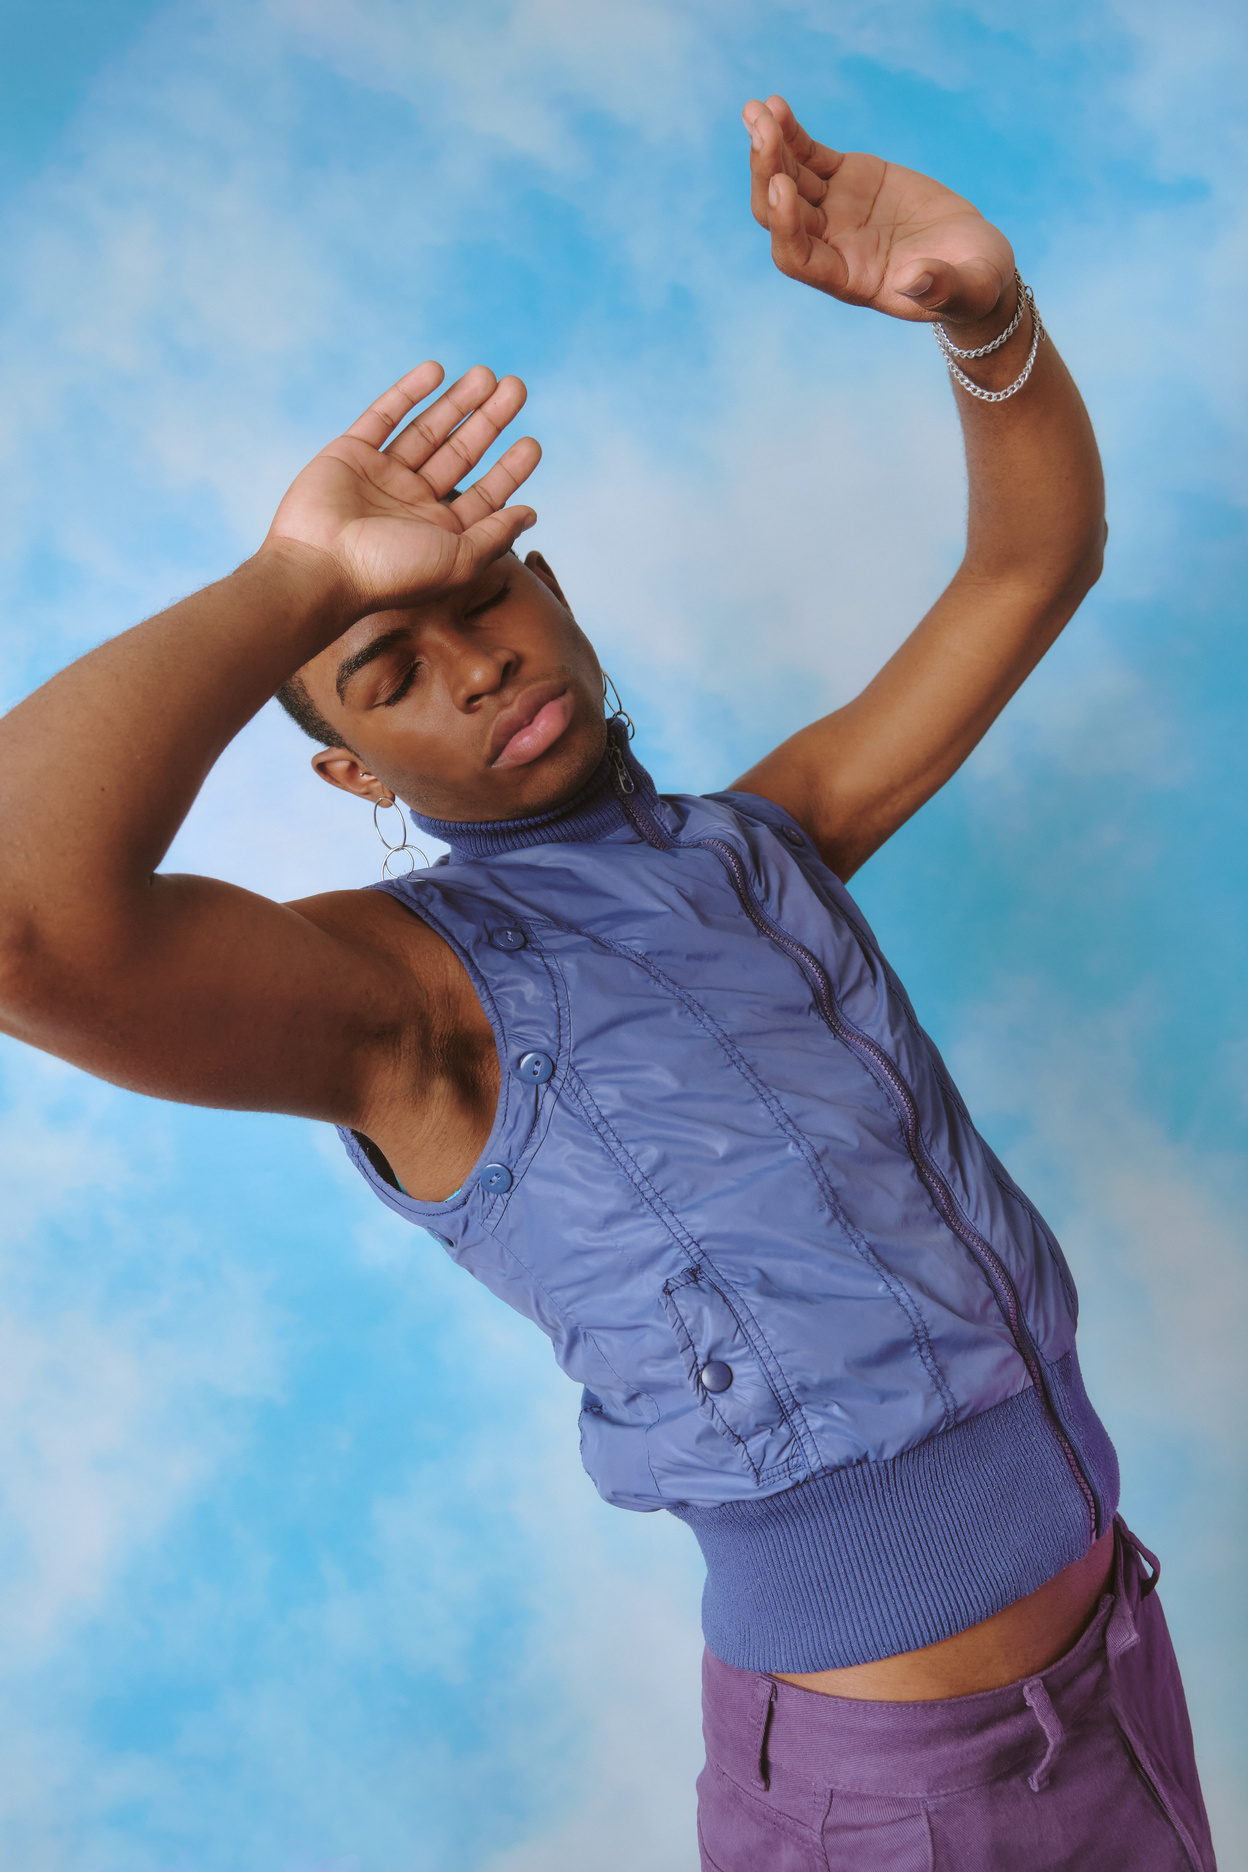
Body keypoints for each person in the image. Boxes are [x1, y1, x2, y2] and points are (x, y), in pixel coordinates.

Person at [0, 94, 1214, 1871]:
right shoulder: (408, 1006)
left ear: (552, 587)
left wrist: (987, 316)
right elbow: (24, 927)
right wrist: (298, 580)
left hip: (1115, 1674)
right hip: (909, 1799)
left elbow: (1034, 565)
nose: (477, 669)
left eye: (487, 600)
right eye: (389, 673)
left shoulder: (759, 847)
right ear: (347, 768)